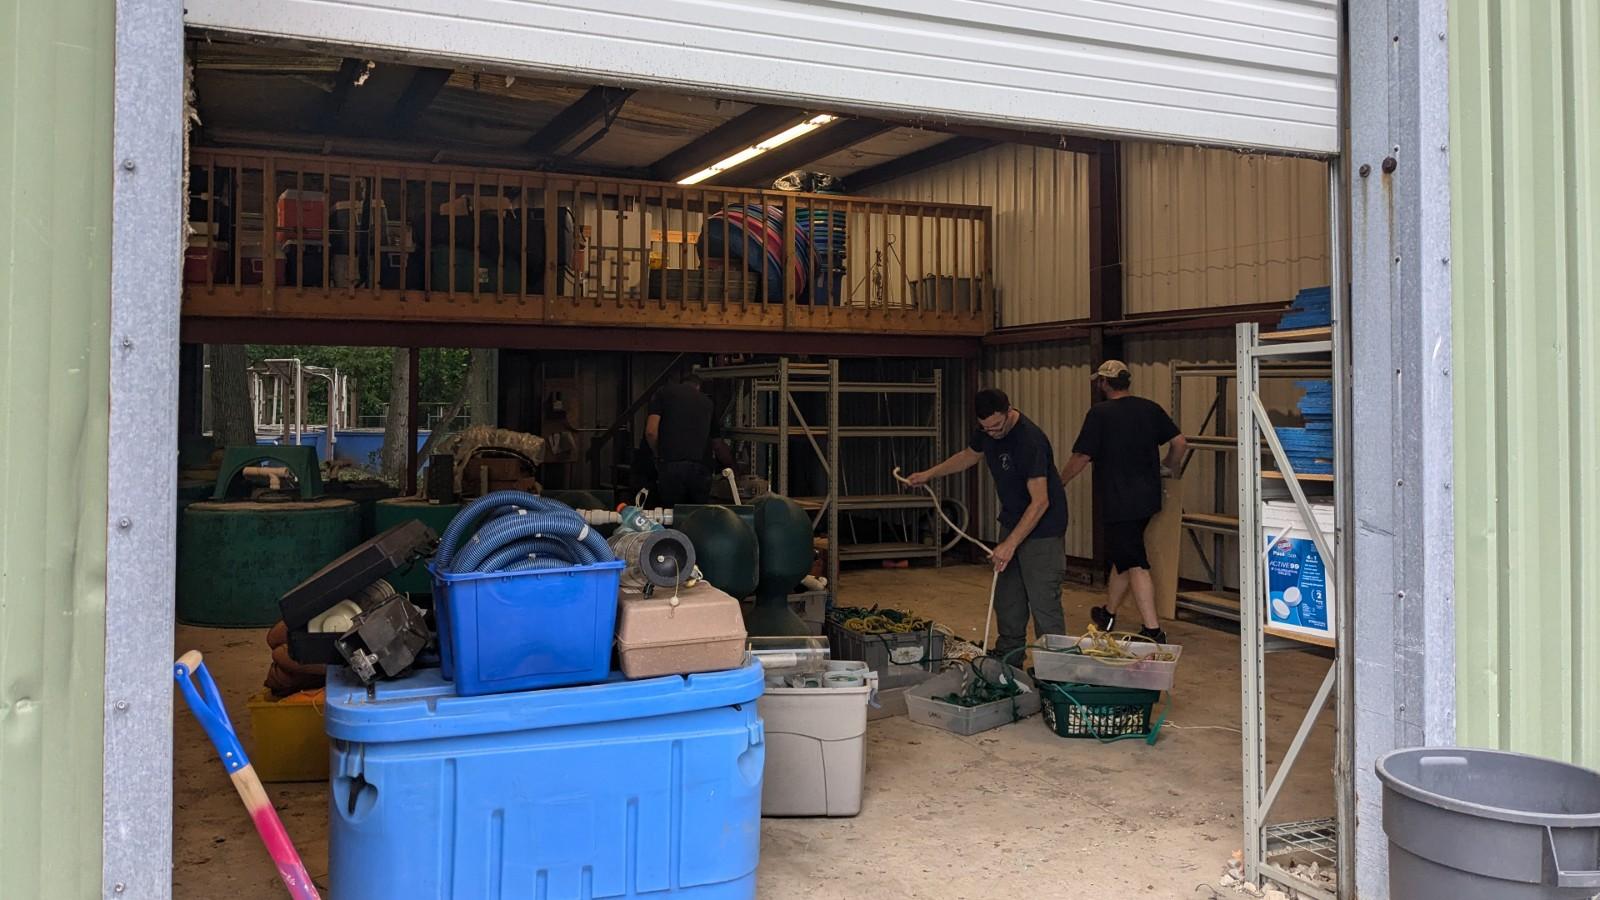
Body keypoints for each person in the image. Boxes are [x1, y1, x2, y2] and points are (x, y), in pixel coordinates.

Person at [907, 388, 1069, 659]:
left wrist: (1009, 544)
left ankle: (1056, 669)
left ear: (1009, 411)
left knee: (1044, 600)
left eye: (996, 426)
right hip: (1013, 520)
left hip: (1043, 529)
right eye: (986, 428)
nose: (992, 433)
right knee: (1008, 598)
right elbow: (970, 455)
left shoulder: (1030, 441)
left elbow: (1040, 502)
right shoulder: (986, 432)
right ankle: (1009, 657)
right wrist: (930, 474)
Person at [1060, 360, 1187, 644]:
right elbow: (1180, 442)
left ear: (1103, 383)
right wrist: (1167, 466)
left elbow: (1081, 457)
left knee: (1135, 562)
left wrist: (1060, 483)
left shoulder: (1100, 414)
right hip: (1148, 498)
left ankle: (1153, 630)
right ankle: (1108, 612)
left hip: (1119, 500)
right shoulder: (1149, 408)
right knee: (1123, 557)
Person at [645, 373, 715, 507]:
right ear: (698, 387)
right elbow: (717, 442)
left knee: (670, 516)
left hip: (671, 465)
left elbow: (651, 432)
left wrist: (657, 454)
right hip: (700, 468)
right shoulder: (707, 403)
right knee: (695, 516)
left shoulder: (663, 393)